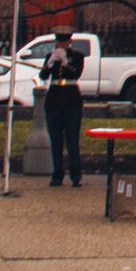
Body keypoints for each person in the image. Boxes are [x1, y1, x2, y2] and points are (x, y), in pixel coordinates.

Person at [41, 30, 86, 187]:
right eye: (59, 41)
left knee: (72, 140)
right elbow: (43, 76)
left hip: (71, 99)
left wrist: (65, 61)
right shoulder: (50, 56)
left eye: (64, 41)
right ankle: (57, 174)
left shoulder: (77, 56)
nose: (61, 44)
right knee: (56, 140)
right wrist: (50, 63)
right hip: (54, 100)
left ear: (69, 42)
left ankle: (76, 175)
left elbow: (76, 74)